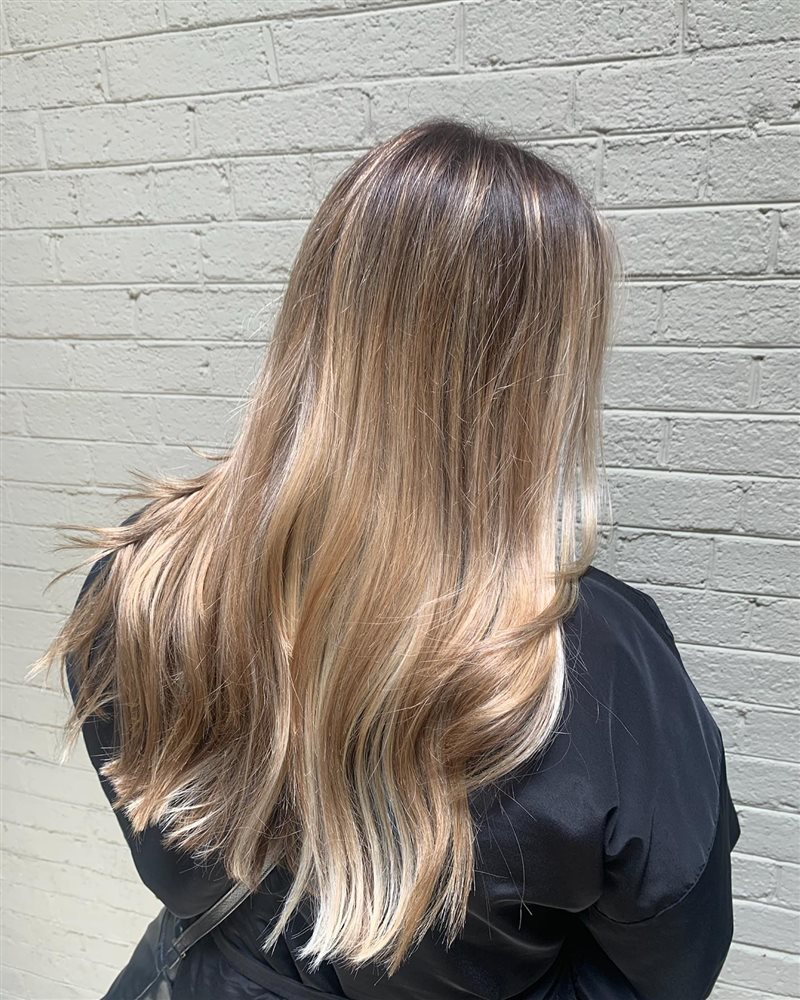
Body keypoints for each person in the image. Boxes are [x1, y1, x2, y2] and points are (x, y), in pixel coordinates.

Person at [34, 117, 739, 1000]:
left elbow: (179, 868)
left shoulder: (146, 582)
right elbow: (665, 970)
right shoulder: (596, 674)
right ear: (541, 369)